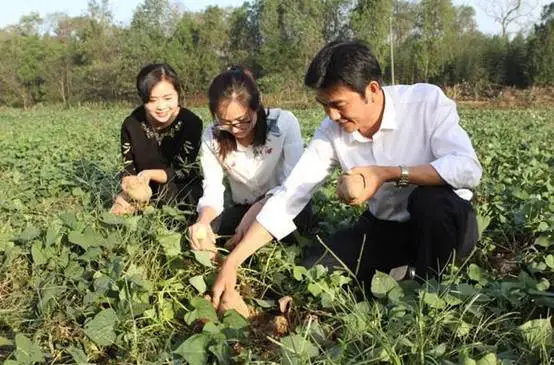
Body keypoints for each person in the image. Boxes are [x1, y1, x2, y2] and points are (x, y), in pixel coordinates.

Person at [209, 40, 482, 306]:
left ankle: (430, 290)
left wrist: (388, 174)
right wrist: (232, 262)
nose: (332, 116)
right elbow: (292, 193)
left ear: (372, 90)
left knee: (430, 201)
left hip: (443, 226)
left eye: (338, 105)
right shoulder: (332, 132)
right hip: (387, 228)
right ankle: (404, 270)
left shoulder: (425, 103)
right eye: (324, 105)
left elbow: (467, 168)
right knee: (314, 265)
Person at [187, 66, 314, 254]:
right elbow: (212, 189)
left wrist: (257, 212)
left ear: (256, 105)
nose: (236, 129)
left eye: (243, 120)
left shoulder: (284, 123)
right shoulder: (212, 136)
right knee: (207, 230)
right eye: (225, 122)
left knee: (297, 223)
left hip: (284, 204)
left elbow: (294, 185)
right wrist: (203, 222)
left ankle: (248, 244)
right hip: (243, 208)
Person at [111, 63, 203, 215]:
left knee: (174, 198)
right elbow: (128, 167)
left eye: (168, 98)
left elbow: (182, 170)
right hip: (141, 187)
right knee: (117, 211)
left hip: (180, 185)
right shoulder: (131, 124)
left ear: (178, 93)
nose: (161, 107)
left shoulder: (191, 123)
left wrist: (150, 174)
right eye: (152, 100)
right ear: (143, 98)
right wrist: (131, 185)